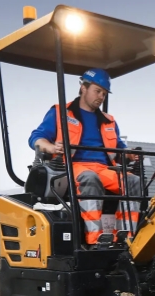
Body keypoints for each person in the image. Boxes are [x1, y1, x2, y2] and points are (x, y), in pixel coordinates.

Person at [28, 68, 141, 245]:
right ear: (83, 88)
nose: (101, 97)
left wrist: (129, 155)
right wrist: (51, 147)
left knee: (133, 181)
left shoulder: (108, 120)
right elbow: (36, 138)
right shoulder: (60, 113)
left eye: (104, 93)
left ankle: (126, 237)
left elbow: (119, 150)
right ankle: (95, 239)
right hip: (72, 166)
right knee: (90, 178)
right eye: (97, 91)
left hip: (103, 169)